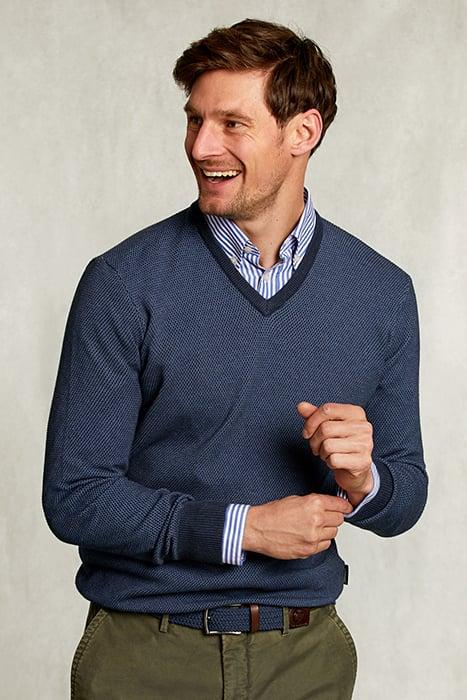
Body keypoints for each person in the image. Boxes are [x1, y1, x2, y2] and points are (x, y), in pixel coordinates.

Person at [42, 17, 428, 700]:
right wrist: (243, 528)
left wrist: (363, 479)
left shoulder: (382, 293)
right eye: (194, 120)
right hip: (145, 656)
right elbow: (75, 497)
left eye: (231, 124)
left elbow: (405, 497)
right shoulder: (123, 283)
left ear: (302, 132)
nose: (200, 146)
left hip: (307, 658)